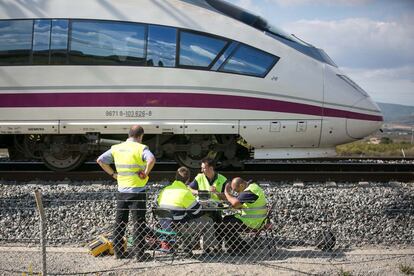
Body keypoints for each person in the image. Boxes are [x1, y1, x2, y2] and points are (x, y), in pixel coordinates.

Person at [97, 125, 155, 261]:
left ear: (128, 135)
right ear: (141, 136)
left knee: (120, 222)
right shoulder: (141, 148)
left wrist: (113, 174)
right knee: (138, 223)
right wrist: (145, 173)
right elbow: (151, 160)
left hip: (122, 191)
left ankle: (118, 252)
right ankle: (139, 254)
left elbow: (100, 160)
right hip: (137, 191)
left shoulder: (116, 148)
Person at [156, 166, 217, 255]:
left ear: (175, 177)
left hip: (164, 226)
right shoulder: (185, 192)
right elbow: (197, 212)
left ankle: (185, 247)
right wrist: (202, 206)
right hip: (177, 227)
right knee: (208, 221)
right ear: (188, 180)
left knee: (185, 219)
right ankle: (208, 249)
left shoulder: (165, 189)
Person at [220, 177, 268, 255]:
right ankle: (239, 246)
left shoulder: (250, 191)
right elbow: (239, 203)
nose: (237, 193)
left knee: (224, 225)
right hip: (255, 219)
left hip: (254, 222)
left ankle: (241, 247)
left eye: (237, 190)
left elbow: (235, 204)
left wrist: (226, 193)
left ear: (242, 185)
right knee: (226, 219)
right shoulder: (252, 187)